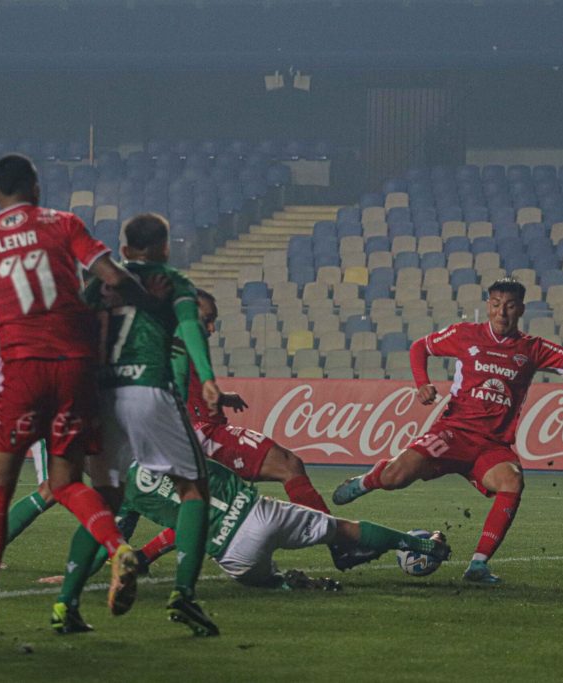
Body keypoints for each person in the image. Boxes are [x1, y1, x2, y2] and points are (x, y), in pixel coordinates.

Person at [332, 278, 563, 583]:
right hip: (453, 433)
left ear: (521, 309)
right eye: (496, 304)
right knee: (395, 478)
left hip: (491, 445)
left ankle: (478, 565)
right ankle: (367, 480)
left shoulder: (533, 348)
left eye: (509, 306)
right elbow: (419, 346)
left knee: (512, 481)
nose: (501, 312)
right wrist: (421, 384)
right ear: (488, 305)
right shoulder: (466, 335)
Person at [0, 154, 146, 635]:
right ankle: (118, 547)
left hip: (22, 368)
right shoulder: (64, 223)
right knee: (66, 481)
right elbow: (114, 278)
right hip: (77, 368)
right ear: (36, 188)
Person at [48, 458, 451, 634]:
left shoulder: (120, 492)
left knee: (262, 581)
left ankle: (297, 585)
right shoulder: (171, 445)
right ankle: (421, 546)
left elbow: (108, 539)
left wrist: (79, 573)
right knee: (342, 530)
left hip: (230, 552)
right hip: (257, 511)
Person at [57, 212, 223, 636]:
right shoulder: (174, 282)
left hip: (100, 395)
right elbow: (190, 329)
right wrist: (207, 380)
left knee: (105, 500)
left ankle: (66, 603)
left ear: (125, 249)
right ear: (166, 247)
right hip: (149, 389)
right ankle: (184, 595)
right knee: (193, 489)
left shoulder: (99, 282)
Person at [174, 291, 367, 569]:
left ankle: (133, 553)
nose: (212, 329)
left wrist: (220, 398)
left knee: (204, 504)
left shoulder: (175, 342)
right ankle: (340, 544)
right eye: (208, 320)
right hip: (203, 434)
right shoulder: (176, 343)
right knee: (288, 464)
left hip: (199, 431)